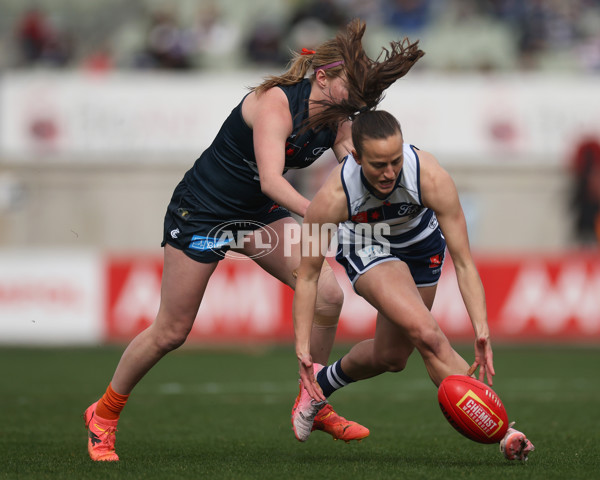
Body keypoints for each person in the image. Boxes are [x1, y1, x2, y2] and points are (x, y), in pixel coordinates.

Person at [83, 20, 425, 461]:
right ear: (322, 76)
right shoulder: (275, 105)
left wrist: (395, 201)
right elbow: (270, 181)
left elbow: (354, 173)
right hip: (203, 214)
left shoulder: (341, 120)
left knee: (326, 296)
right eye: (351, 88)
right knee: (171, 331)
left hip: (255, 220)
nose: (356, 100)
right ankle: (103, 414)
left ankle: (314, 400)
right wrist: (321, 214)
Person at [290, 110, 535, 461]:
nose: (389, 173)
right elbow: (309, 275)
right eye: (378, 165)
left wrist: (481, 330)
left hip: (421, 246)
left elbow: (464, 262)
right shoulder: (332, 197)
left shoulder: (430, 175)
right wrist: (303, 351)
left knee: (391, 357)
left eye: (394, 161)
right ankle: (505, 432)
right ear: (356, 158)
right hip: (365, 244)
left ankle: (320, 386)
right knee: (427, 333)